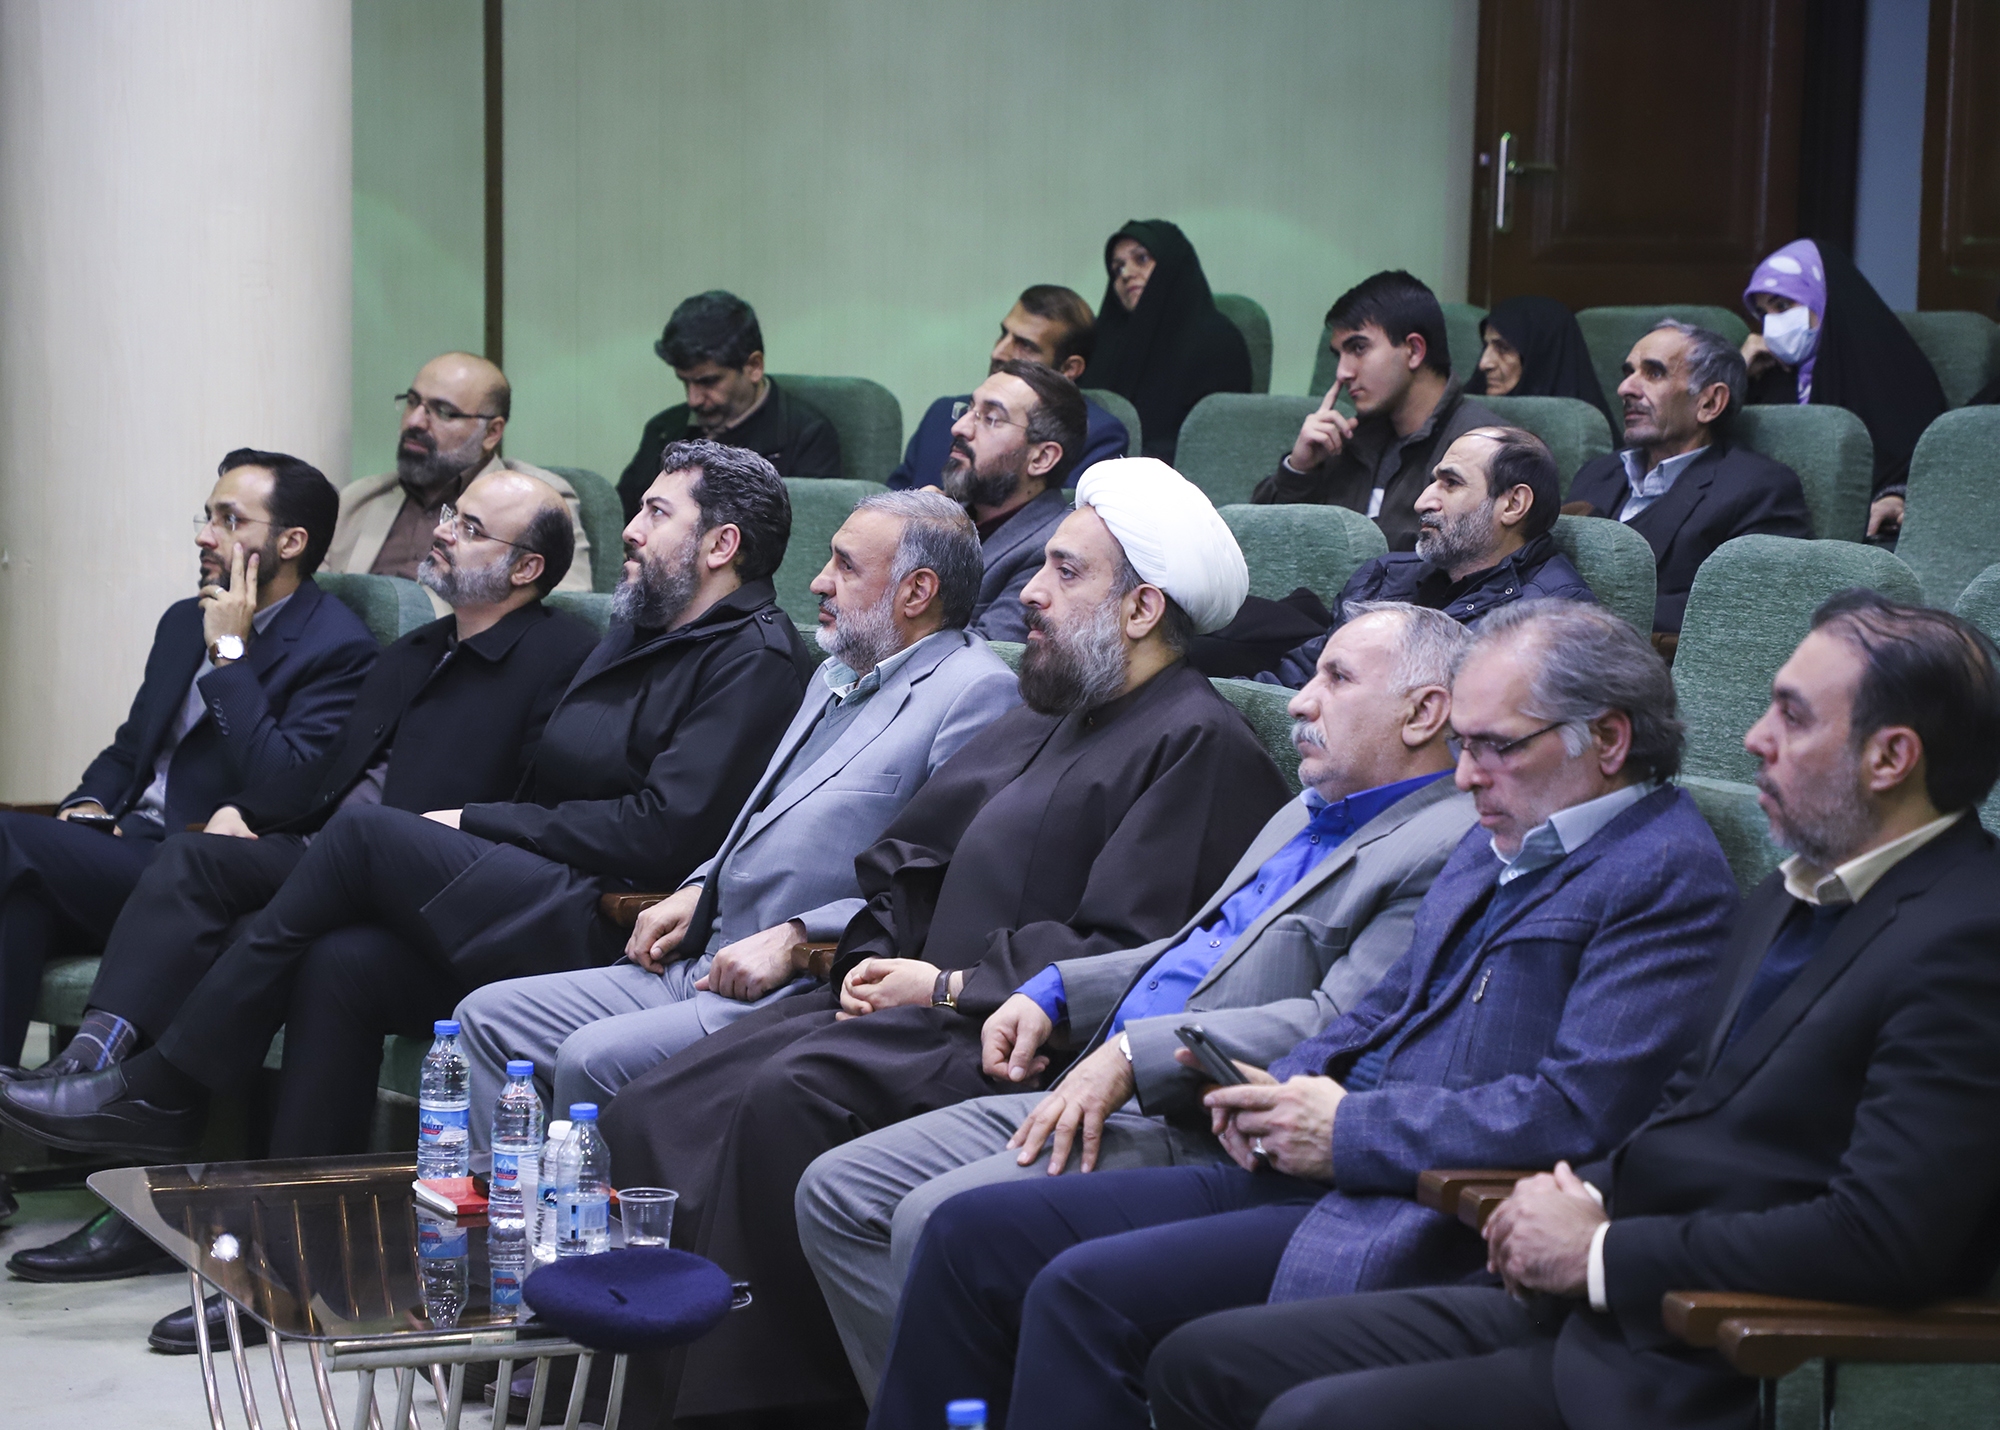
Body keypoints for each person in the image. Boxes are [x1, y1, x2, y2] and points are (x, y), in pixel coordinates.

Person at [869, 600, 1740, 1430]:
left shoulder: (1662, 875)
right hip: (1320, 1165)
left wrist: (1345, 1128)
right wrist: (1279, 1088)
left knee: (1083, 1293)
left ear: (1608, 741)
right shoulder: (1501, 834)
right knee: (972, 1234)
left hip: (1422, 1209)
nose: (1467, 772)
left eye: (1496, 746)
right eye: (1466, 745)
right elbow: (1384, 1007)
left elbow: (1577, 1113)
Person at [1148, 591, 2000, 1430]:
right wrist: (1574, 1199)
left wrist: (1600, 1251)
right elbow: (1685, 1114)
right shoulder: (1793, 892)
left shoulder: (1969, 939)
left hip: (1697, 1350)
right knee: (1201, 1363)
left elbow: (1883, 1236)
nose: (1755, 738)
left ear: (1890, 758)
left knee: (1311, 1415)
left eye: (1793, 716)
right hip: (1590, 1301)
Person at [599, 457, 1293, 1425]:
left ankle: (775, 1408)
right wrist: (868, 955)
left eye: (1064, 571)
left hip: (1003, 1035)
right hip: (908, 1003)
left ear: (1142, 608)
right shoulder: (1052, 711)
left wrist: (943, 982)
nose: (1031, 593)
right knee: (652, 1105)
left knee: (786, 1098)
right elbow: (914, 852)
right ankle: (655, 1392)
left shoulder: (1199, 745)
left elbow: (1130, 948)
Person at [0, 440, 816, 1163]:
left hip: (613, 917)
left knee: (363, 836)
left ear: (721, 545)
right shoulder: (639, 631)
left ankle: (164, 1088)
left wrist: (474, 821)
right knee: (340, 962)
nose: (631, 531)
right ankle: (296, 1233)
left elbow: (662, 830)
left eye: (656, 513)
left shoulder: (754, 658)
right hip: (538, 879)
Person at [798, 602, 1482, 1397]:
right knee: (838, 1192)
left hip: (1197, 1116)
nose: (1301, 699)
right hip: (1092, 1073)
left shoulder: (1446, 844)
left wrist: (1134, 1054)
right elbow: (1193, 947)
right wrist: (1058, 991)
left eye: (1337, 678)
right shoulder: (1308, 810)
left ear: (1423, 712)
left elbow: (1339, 1022)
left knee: (932, 1218)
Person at [3, 471, 594, 1326]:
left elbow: (544, 814)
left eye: (470, 527)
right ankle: (113, 1082)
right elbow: (310, 786)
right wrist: (249, 808)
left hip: (437, 889)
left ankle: (168, 1122)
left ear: (527, 568)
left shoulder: (560, 656)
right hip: (331, 861)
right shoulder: (412, 653)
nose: (440, 531)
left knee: (325, 955)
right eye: (450, 516)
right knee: (199, 861)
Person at [453, 488, 1020, 1136]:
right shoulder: (835, 673)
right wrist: (700, 886)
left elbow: (935, 886)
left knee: (591, 1057)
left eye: (845, 565)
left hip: (795, 983)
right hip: (702, 953)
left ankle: (588, 1206)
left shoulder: (975, 691)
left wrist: (800, 936)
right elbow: (765, 815)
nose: (819, 581)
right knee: (486, 1018)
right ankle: (498, 1200)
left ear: (917, 591)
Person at [0, 449, 374, 1075]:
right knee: (18, 904)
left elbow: (284, 785)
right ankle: (20, 1117)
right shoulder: (182, 621)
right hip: (120, 847)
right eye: (208, 517)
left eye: (231, 520)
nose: (205, 536)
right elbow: (130, 749)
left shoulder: (337, 647)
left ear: (291, 542)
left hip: (195, 867)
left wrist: (230, 653)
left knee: (8, 838)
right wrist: (87, 806)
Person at [1218, 426, 1591, 687]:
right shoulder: (1385, 575)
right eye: (1432, 482)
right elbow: (1295, 679)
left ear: (1513, 504)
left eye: (1451, 483)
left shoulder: (1552, 618)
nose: (1422, 502)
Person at [1568, 321, 1812, 645]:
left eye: (1654, 373)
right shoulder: (1596, 473)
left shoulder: (1760, 488)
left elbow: (1745, 608)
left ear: (1709, 403)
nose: (1625, 388)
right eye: (1629, 372)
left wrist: (1580, 613)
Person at [1253, 271, 1502, 553]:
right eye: (1339, 355)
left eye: (1358, 348)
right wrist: (1298, 471)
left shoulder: (1483, 448)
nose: (1342, 372)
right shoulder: (1344, 442)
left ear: (1414, 350)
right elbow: (1263, 549)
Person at [326, 351, 594, 596]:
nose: (414, 421)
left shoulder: (536, 500)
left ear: (491, 433)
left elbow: (568, 603)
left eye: (443, 412)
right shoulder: (360, 498)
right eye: (412, 402)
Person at [1742, 239, 1948, 539]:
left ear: (1824, 298)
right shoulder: (1769, 375)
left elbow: (1929, 458)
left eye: (1783, 306)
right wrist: (1738, 372)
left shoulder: (1889, 367)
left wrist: (1897, 496)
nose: (1773, 324)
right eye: (1764, 314)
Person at [617, 290, 841, 516]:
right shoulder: (663, 430)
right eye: (685, 382)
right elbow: (623, 516)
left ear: (753, 366)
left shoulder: (808, 436)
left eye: (708, 381)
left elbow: (808, 529)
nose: (693, 399)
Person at [888, 286, 1130, 490]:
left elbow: (1059, 522)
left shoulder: (1097, 434)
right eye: (1004, 333)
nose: (998, 352)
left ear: (1069, 368)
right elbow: (889, 503)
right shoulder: (943, 414)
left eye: (1025, 345)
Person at [944, 360, 1091, 643]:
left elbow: (988, 652)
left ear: (1041, 458)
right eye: (969, 409)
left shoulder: (1053, 549)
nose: (960, 428)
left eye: (990, 418)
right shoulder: (948, 516)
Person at [1089, 220, 1252, 462]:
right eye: (1117, 268)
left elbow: (1216, 440)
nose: (1126, 274)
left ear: (1172, 264)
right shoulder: (1104, 342)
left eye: (1141, 259)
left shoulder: (1217, 340)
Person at [1465, 295, 1615, 431]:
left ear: (1541, 358)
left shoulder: (1579, 431)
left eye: (1503, 349)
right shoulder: (1466, 411)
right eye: (1486, 346)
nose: (1484, 364)